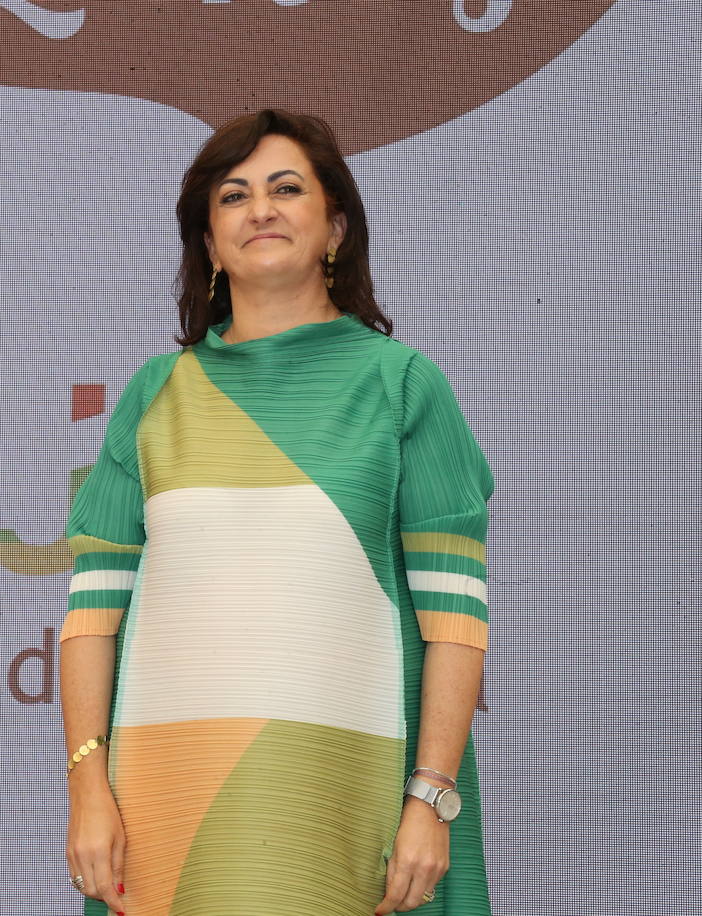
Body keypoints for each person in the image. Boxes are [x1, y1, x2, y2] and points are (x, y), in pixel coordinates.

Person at [59, 110, 493, 916]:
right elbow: (92, 615)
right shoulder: (154, 395)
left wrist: (429, 798)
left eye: (286, 188)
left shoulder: (402, 386)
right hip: (167, 810)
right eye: (234, 196)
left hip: (352, 804)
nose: (260, 209)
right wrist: (88, 781)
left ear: (335, 226)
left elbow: (455, 623)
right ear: (209, 244)